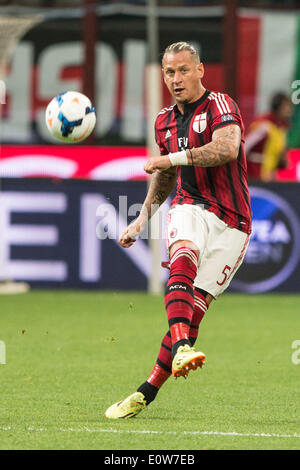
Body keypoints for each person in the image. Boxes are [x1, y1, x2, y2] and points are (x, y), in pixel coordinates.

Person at [105, 42, 252, 419]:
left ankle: (146, 391)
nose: (176, 79)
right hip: (191, 205)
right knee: (182, 255)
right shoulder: (163, 121)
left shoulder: (220, 105)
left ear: (201, 69)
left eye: (184, 70)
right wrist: (141, 220)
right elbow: (167, 177)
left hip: (234, 222)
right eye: (169, 72)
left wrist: (170, 157)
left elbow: (227, 149)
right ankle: (182, 348)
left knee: (194, 312)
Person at [245, 92, 293, 182]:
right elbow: (244, 147)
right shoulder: (264, 125)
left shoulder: (280, 128)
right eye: (286, 106)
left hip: (268, 176)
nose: (290, 110)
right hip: (254, 174)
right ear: (277, 107)